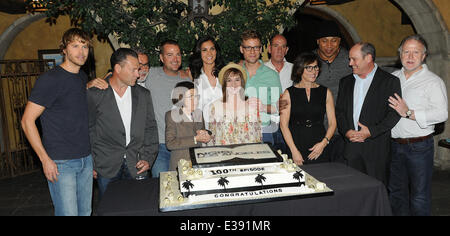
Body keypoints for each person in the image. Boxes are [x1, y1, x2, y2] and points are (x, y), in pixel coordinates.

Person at [21, 28, 93, 216]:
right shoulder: (49, 79)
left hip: (86, 158)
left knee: (85, 213)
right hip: (61, 162)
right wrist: (45, 160)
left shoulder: (82, 77)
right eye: (75, 45)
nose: (81, 51)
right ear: (64, 49)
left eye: (85, 46)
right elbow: (27, 121)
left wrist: (89, 85)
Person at [388, 35, 448, 216]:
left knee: (419, 196)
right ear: (400, 55)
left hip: (419, 147)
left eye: (416, 52)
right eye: (406, 51)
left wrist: (408, 113)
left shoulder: (433, 81)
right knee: (396, 193)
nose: (410, 56)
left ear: (424, 56)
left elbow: (441, 114)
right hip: (394, 145)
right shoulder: (392, 78)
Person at [87, 48, 158, 198]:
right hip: (106, 166)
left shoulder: (143, 95)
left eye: (138, 70)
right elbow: (88, 129)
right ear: (118, 68)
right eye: (133, 70)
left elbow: (150, 128)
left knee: (139, 207)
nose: (138, 74)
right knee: (110, 209)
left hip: (137, 164)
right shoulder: (95, 93)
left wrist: (148, 158)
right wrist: (92, 163)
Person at [335, 42, 401, 186]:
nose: (350, 63)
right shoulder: (345, 82)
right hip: (351, 147)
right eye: (349, 59)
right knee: (352, 190)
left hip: (376, 150)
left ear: (368, 58)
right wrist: (346, 131)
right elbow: (339, 112)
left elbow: (393, 115)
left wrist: (370, 131)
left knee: (375, 192)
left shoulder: (390, 81)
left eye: (354, 59)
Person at [280, 52, 336, 165]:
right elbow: (283, 125)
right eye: (309, 68)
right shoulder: (287, 93)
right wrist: (294, 151)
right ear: (300, 69)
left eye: (315, 67)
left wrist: (324, 143)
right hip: (296, 142)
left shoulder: (326, 92)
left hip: (319, 143)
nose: (314, 71)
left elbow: (333, 123)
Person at [146, 40, 191, 178]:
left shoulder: (188, 80)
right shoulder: (151, 75)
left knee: (184, 185)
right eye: (170, 55)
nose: (175, 59)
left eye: (178, 54)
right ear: (161, 58)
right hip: (159, 146)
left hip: (182, 145)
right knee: (162, 187)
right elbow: (124, 73)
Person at [313, 20, 353, 162]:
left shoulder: (351, 60)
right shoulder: (309, 61)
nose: (329, 45)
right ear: (318, 41)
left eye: (333, 41)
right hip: (316, 129)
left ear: (339, 41)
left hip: (344, 129)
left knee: (342, 173)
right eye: (324, 41)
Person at [240, 30, 282, 146]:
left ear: (261, 49)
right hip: (237, 131)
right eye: (248, 47)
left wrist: (263, 107)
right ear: (241, 49)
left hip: (264, 131)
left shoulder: (272, 75)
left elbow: (281, 107)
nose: (252, 51)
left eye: (256, 47)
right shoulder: (235, 73)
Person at [208, 63, 261, 145]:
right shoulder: (215, 107)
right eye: (229, 80)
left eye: (237, 80)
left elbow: (258, 136)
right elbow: (212, 138)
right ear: (224, 84)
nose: (233, 84)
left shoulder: (252, 106)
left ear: (242, 82)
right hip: (225, 155)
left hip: (248, 154)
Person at [165, 81, 211, 170]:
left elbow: (203, 133)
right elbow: (170, 144)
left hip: (199, 163)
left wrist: (206, 136)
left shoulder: (198, 113)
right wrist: (195, 139)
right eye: (191, 97)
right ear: (180, 98)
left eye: (197, 96)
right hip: (181, 165)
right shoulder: (171, 115)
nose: (196, 100)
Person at [188, 36, 225, 127]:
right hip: (204, 130)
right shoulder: (192, 75)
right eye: (204, 50)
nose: (209, 53)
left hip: (227, 128)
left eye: (212, 49)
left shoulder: (226, 73)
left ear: (216, 51)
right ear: (199, 53)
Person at [264, 34, 292, 154]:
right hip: (266, 125)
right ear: (269, 49)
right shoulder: (260, 69)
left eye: (283, 46)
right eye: (276, 46)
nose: (279, 50)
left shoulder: (295, 69)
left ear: (286, 50)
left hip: (289, 124)